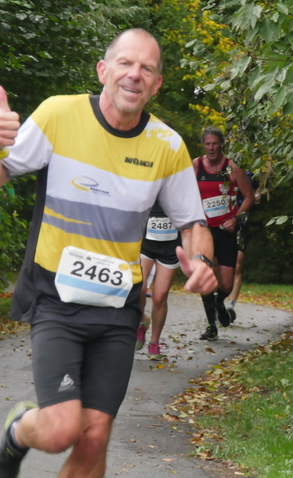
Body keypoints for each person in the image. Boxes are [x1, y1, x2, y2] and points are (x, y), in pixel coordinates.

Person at [0, 28, 216, 478]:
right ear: (103, 70)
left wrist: (203, 262)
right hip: (55, 297)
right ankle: (18, 430)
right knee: (60, 430)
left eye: (147, 69)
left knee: (94, 437)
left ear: (156, 85)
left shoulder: (167, 146)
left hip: (119, 306)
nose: (135, 74)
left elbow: (193, 223)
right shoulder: (59, 114)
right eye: (125, 63)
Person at [193, 126, 254, 340]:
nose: (211, 148)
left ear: (221, 145)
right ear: (203, 145)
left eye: (215, 144)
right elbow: (183, 192)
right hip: (203, 231)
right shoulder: (196, 166)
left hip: (225, 231)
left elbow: (249, 196)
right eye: (207, 144)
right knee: (205, 276)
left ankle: (219, 302)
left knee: (226, 284)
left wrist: (236, 217)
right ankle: (211, 326)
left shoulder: (232, 169)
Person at [136, 199, 181, 360]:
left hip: (171, 247)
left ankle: (154, 342)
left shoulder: (180, 187)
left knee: (160, 297)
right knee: (139, 288)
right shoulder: (149, 185)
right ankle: (142, 321)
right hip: (146, 243)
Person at [226, 172, 261, 321]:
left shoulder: (249, 176)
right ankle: (216, 303)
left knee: (237, 266)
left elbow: (264, 185)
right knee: (216, 266)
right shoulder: (216, 173)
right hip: (218, 224)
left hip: (240, 225)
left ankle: (230, 306)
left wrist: (257, 195)